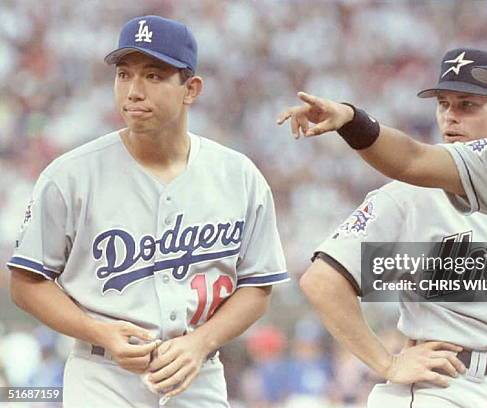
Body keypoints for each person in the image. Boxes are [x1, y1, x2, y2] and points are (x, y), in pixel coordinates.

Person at [278, 27, 487, 407]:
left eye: (468, 104)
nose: (450, 118)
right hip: (447, 387)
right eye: (444, 104)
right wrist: (386, 363)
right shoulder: (415, 193)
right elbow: (323, 280)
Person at [8, 15, 288, 408]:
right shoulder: (70, 175)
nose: (133, 91)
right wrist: (99, 332)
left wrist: (200, 343)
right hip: (102, 375)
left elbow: (258, 286)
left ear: (191, 89)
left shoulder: (238, 175)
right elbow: (26, 283)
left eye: (153, 76)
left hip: (198, 373)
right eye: (124, 75)